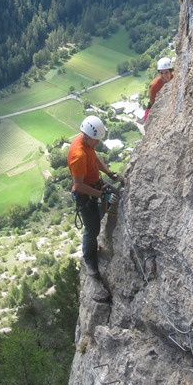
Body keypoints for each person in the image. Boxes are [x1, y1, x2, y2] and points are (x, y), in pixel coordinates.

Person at [67, 115, 119, 278]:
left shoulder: (86, 141)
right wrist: (102, 194)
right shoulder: (78, 155)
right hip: (84, 195)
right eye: (96, 140)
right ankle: (89, 259)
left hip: (96, 183)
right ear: (88, 136)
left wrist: (109, 173)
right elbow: (79, 185)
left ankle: (102, 210)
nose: (97, 143)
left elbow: (95, 159)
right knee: (92, 229)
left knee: (116, 195)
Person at [144, 57, 174, 122]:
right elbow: (152, 103)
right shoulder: (154, 86)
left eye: (166, 72)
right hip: (155, 106)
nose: (164, 75)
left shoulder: (175, 79)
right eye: (161, 73)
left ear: (171, 72)